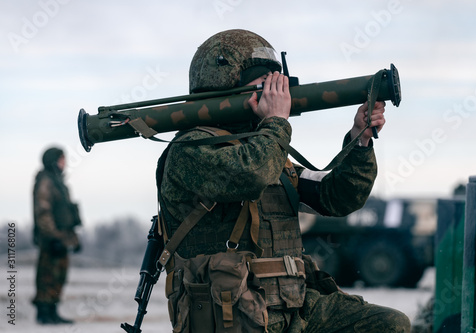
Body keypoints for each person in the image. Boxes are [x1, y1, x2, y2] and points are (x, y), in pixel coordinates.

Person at [157, 29, 411, 332]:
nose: (277, 94)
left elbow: (337, 198)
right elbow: (251, 175)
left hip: (293, 306)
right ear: (224, 84)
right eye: (265, 86)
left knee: (388, 325)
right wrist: (276, 122)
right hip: (232, 315)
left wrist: (360, 141)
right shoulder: (190, 149)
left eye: (277, 85)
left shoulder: (267, 150)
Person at [32, 147, 82, 324]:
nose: (64, 162)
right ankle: (44, 313)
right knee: (48, 275)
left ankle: (52, 311)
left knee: (59, 275)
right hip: (52, 239)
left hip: (63, 236)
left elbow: (66, 212)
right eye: (61, 159)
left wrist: (73, 239)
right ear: (53, 161)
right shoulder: (46, 181)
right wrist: (53, 237)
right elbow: (43, 212)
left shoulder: (58, 181)